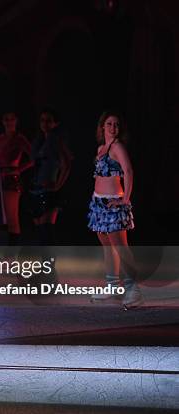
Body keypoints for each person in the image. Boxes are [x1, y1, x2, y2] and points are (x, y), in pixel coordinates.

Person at [88, 111, 142, 309]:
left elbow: (128, 171)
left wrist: (125, 200)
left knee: (120, 246)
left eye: (116, 124)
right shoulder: (102, 148)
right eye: (109, 124)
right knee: (107, 247)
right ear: (102, 127)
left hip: (113, 203)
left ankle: (133, 289)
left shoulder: (117, 147)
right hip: (99, 204)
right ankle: (112, 285)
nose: (113, 128)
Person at [28, 108, 72, 246]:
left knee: (47, 230)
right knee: (41, 231)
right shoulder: (39, 140)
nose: (45, 123)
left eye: (48, 121)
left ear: (55, 123)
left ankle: (49, 265)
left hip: (49, 190)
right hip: (36, 188)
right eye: (42, 120)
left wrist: (58, 185)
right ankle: (46, 265)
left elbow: (67, 164)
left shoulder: (56, 140)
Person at [0, 111, 33, 245]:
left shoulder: (20, 138)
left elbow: (33, 158)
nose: (9, 122)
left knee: (12, 218)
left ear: (16, 121)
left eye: (11, 119)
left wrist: (19, 169)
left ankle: (11, 257)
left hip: (12, 179)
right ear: (3, 121)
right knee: (0, 217)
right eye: (6, 119)